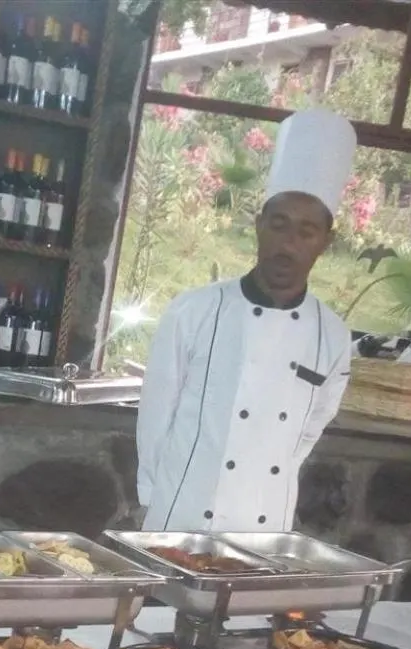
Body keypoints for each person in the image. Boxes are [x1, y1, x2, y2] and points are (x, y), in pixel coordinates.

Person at [136, 110, 358, 532]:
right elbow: (156, 416)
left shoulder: (332, 335)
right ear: (258, 226)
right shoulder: (193, 311)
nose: (288, 244)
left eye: (306, 232)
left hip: (264, 526)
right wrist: (151, 495)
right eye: (279, 225)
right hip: (180, 514)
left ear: (325, 243)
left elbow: (308, 433)